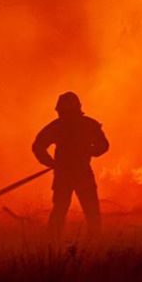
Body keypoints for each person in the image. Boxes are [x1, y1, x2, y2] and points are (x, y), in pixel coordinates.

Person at [32, 92, 109, 239]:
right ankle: (55, 241)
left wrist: (91, 151)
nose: (63, 114)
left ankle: (91, 241)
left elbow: (103, 146)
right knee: (70, 210)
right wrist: (51, 163)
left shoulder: (80, 125)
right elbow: (38, 146)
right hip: (68, 174)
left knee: (87, 210)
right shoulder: (82, 125)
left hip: (76, 174)